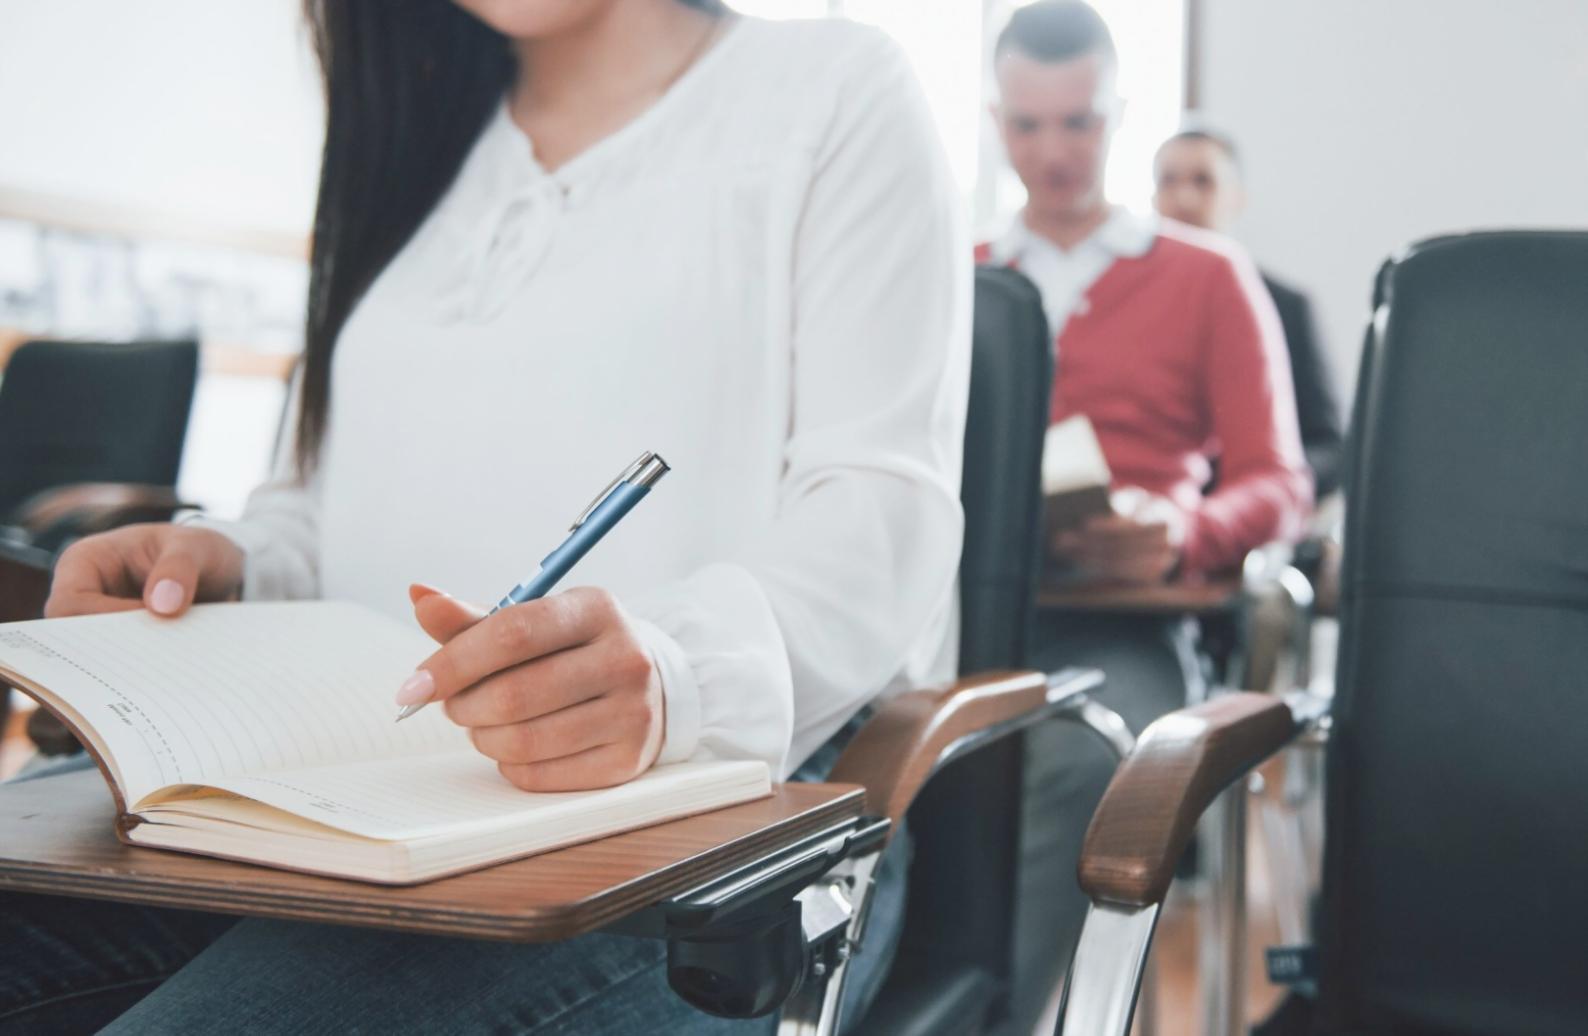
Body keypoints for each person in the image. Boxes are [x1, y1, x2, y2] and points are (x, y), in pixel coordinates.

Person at [0, 1, 969, 1032]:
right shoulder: (406, 134)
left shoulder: (833, 88)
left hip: (698, 837)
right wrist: (232, 563)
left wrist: (677, 674)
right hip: (329, 806)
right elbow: (311, 506)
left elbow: (882, 515)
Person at [978, 0, 1310, 976]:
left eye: (1078, 121)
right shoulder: (959, 279)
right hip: (966, 620)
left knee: (1087, 758)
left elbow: (1278, 481)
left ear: (1118, 115)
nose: (1053, 150)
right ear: (995, 121)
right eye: (1027, 123)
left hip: (1127, 620)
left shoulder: (1207, 275)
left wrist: (1183, 530)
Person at [1155, 127, 1346, 497]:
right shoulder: (1130, 304)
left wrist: (1261, 494)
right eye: (1168, 181)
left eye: (1203, 181)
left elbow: (1332, 448)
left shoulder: (1287, 306)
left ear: (1236, 197)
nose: (1184, 196)